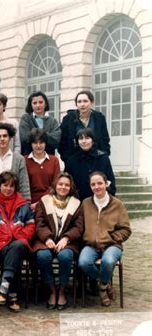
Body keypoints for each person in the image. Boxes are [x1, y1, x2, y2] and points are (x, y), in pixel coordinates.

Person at [78, 171, 131, 307]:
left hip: (112, 245)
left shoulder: (117, 204)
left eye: (100, 183)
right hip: (91, 245)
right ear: (90, 186)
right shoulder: (86, 203)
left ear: (106, 184)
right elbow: (80, 225)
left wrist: (112, 238)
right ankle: (105, 282)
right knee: (83, 262)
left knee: (108, 261)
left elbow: (126, 229)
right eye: (93, 184)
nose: (97, 187)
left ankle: (101, 288)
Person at [0, 171, 35, 313]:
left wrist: (20, 235)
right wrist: (2, 238)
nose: (8, 189)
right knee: (13, 255)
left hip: (19, 242)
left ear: (16, 188)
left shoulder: (24, 205)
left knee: (17, 247)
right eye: (5, 185)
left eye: (12, 186)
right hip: (0, 244)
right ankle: (12, 296)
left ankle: (3, 290)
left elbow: (31, 226)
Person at [33, 172, 84, 310]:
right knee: (43, 256)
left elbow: (78, 227)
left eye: (67, 185)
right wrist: (47, 238)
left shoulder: (76, 204)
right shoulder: (44, 201)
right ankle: (52, 290)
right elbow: (39, 222)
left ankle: (61, 291)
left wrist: (66, 238)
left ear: (71, 187)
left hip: (68, 242)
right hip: (45, 241)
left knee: (65, 256)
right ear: (55, 185)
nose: (63, 187)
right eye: (60, 184)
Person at [59, 90, 110, 163]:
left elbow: (105, 139)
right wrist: (67, 158)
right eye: (79, 102)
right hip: (75, 161)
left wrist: (105, 155)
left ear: (91, 103)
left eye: (85, 101)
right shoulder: (68, 119)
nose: (82, 104)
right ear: (76, 104)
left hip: (96, 160)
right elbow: (63, 141)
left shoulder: (99, 118)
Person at [64, 128, 116, 201]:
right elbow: (67, 182)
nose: (84, 141)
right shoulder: (71, 160)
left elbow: (110, 181)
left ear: (93, 141)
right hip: (78, 202)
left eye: (87, 138)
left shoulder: (103, 158)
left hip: (101, 201)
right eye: (81, 138)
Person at [25, 128, 60, 210]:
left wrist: (40, 203)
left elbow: (55, 185)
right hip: (29, 204)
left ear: (45, 143)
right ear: (31, 144)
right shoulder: (24, 160)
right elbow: (23, 186)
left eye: (41, 142)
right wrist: (28, 204)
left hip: (50, 202)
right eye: (35, 143)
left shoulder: (54, 160)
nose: (38, 146)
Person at [19, 91, 61, 156]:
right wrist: (46, 136)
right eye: (34, 103)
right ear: (31, 105)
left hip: (48, 160)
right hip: (29, 159)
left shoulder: (53, 121)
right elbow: (25, 139)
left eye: (41, 102)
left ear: (45, 104)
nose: (38, 105)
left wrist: (34, 134)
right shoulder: (26, 118)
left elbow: (55, 141)